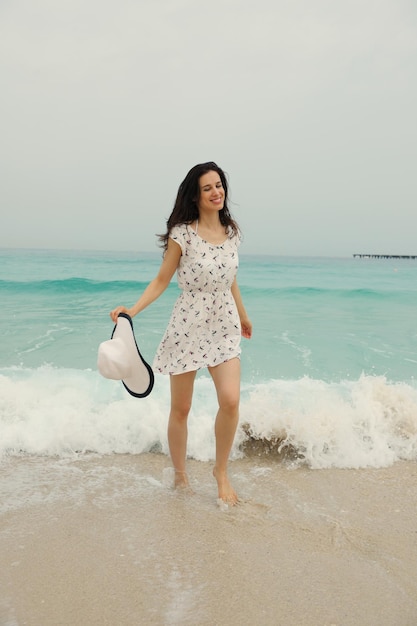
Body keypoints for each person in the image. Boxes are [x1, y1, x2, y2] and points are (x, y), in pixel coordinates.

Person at [110, 162, 252, 505]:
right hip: (188, 323)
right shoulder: (182, 233)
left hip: (224, 324)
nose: (216, 192)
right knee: (181, 409)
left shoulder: (231, 232)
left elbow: (229, 276)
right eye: (208, 188)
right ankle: (180, 476)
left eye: (219, 185)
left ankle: (221, 472)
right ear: (196, 195)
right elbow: (162, 280)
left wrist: (244, 316)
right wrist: (132, 309)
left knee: (231, 400)